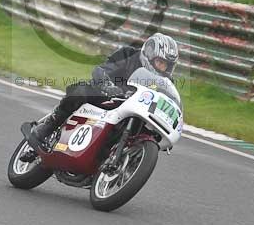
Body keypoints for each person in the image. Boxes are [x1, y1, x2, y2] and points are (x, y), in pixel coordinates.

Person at [22, 33, 180, 149]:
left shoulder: (165, 82)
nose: (162, 68)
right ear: (150, 55)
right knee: (82, 90)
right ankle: (48, 126)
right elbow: (102, 70)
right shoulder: (128, 55)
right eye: (160, 62)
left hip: (133, 110)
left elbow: (167, 101)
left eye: (166, 65)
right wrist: (108, 86)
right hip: (107, 96)